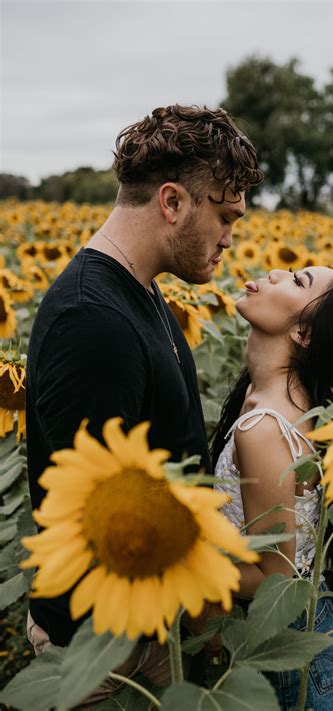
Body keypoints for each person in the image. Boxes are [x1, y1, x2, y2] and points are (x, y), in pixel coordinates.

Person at [25, 104, 263, 703]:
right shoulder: (93, 319)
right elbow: (103, 513)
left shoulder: (138, 291)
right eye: (226, 216)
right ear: (173, 202)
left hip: (149, 627)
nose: (231, 238)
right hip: (105, 650)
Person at [211, 266, 333, 710]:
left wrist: (181, 578)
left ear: (303, 333)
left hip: (284, 645)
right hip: (302, 631)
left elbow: (275, 577)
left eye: (297, 280)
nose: (272, 272)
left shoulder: (265, 428)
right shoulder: (277, 401)